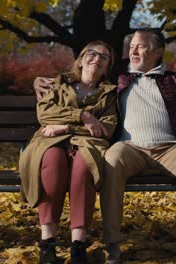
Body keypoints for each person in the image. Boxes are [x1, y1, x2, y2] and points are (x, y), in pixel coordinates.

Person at [33, 29, 176, 263]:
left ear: (158, 52)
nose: (133, 50)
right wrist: (37, 80)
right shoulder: (117, 77)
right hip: (130, 147)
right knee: (111, 159)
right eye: (131, 47)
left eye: (140, 46)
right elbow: (82, 74)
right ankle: (113, 245)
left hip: (170, 147)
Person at [20, 40, 118, 264]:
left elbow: (107, 128)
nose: (97, 59)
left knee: (84, 168)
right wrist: (83, 116)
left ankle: (78, 245)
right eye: (92, 54)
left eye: (104, 57)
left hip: (87, 143)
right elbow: (45, 114)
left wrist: (66, 126)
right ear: (82, 59)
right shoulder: (58, 84)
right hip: (51, 139)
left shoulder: (108, 94)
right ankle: (47, 245)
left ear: (107, 67)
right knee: (52, 162)